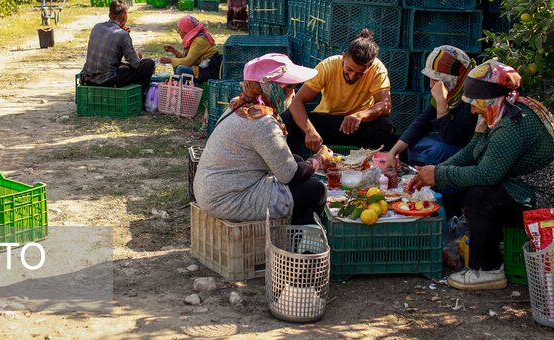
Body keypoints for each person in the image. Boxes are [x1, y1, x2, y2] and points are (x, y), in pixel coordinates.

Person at [405, 60, 554, 291]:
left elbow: (487, 174)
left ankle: (488, 270)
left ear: (488, 100)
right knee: (474, 188)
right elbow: (472, 152)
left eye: (475, 104)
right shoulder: (504, 108)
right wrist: (437, 169)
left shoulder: (511, 125)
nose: (472, 110)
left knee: (479, 196)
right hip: (528, 184)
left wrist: (439, 174)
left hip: (548, 197)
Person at [193, 53, 330, 225]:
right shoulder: (261, 121)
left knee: (296, 160)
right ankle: (298, 237)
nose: (293, 95)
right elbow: (290, 176)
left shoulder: (240, 104)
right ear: (270, 88)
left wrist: (307, 164)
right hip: (228, 200)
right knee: (315, 191)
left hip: (212, 189)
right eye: (288, 89)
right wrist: (320, 158)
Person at [281, 29, 396, 155]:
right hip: (328, 123)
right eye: (349, 69)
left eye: (359, 73)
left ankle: (378, 165)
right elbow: (297, 101)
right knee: (286, 119)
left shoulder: (377, 69)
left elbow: (385, 106)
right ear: (343, 57)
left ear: (369, 67)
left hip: (358, 125)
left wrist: (360, 116)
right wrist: (309, 131)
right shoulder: (328, 65)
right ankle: (296, 164)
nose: (352, 76)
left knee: (385, 126)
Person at [384, 46, 478, 176]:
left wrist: (441, 102)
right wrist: (393, 152)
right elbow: (422, 123)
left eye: (435, 80)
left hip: (468, 149)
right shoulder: (453, 92)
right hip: (450, 138)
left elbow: (453, 138)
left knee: (436, 151)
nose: (431, 85)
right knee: (410, 144)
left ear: (451, 79)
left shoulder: (472, 96)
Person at [80, 0, 155, 94]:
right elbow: (135, 63)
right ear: (125, 16)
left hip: (87, 78)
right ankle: (141, 96)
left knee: (122, 66)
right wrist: (137, 53)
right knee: (148, 64)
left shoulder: (97, 27)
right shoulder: (123, 35)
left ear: (110, 14)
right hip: (108, 80)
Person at [159, 15, 220, 82]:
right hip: (203, 68)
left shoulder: (199, 41)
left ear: (186, 29)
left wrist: (170, 60)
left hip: (209, 71)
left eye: (179, 29)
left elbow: (188, 62)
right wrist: (174, 51)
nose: (178, 31)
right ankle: (181, 86)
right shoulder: (194, 39)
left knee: (180, 69)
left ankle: (184, 87)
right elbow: (188, 59)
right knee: (177, 65)